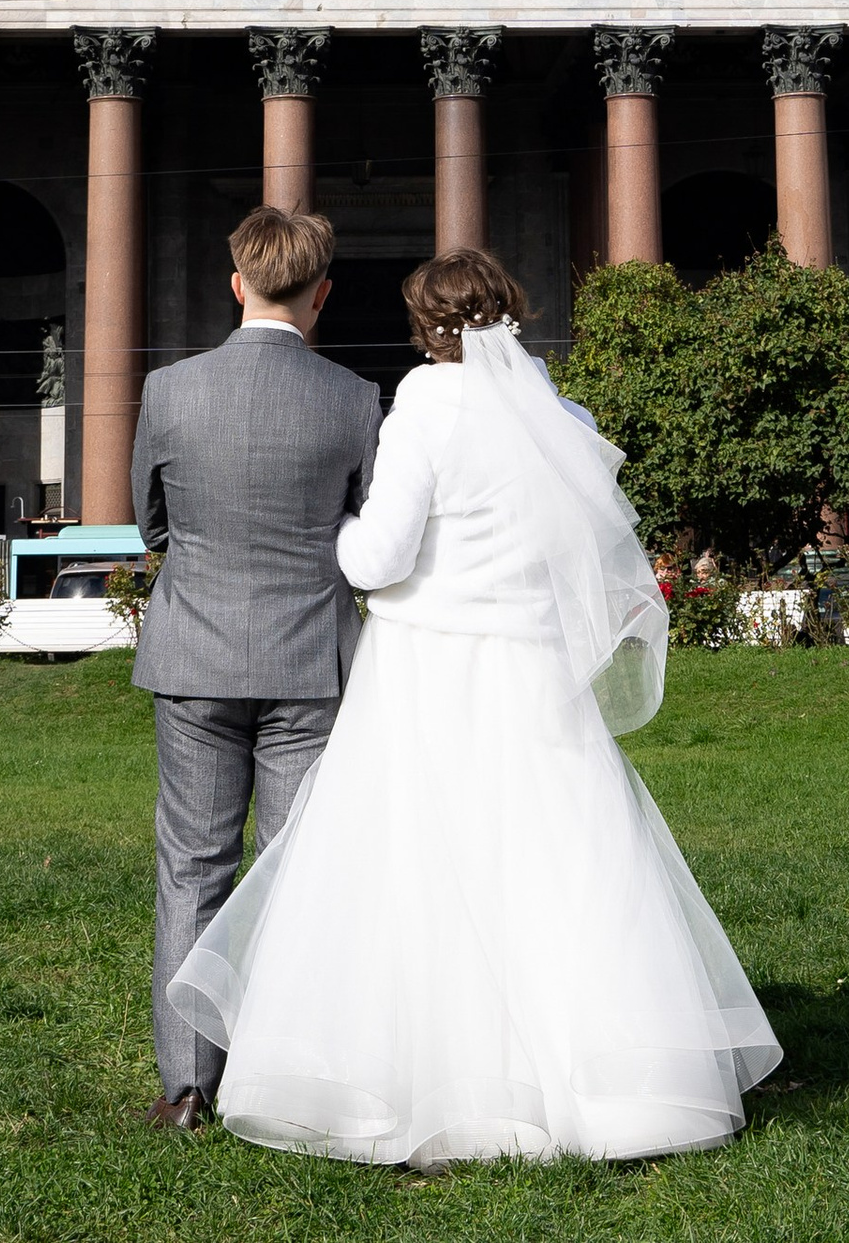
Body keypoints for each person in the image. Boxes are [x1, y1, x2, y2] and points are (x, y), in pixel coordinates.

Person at [171, 248, 779, 1166]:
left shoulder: (425, 405)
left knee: (418, 869)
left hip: (432, 669)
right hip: (535, 674)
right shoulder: (560, 414)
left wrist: (327, 528)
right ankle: (604, 1093)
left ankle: (425, 1085)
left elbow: (378, 560)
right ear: (512, 314)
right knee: (552, 866)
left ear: (424, 326)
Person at [131, 206, 384, 1133]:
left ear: (235, 284)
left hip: (195, 654)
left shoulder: (169, 390)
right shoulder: (357, 399)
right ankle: (281, 1078)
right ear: (320, 295)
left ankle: (189, 1087)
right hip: (311, 660)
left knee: (192, 869)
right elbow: (366, 533)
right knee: (292, 871)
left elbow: (150, 523)